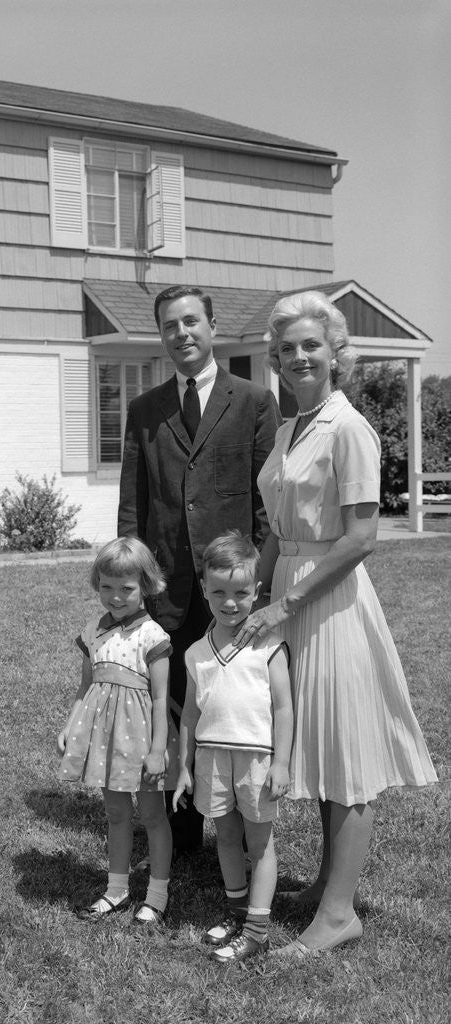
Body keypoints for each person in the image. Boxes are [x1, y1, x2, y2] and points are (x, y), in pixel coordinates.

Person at [233, 290, 438, 956]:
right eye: (287, 348)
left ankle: (340, 914)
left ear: (334, 352)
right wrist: (256, 592)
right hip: (290, 590)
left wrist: (287, 602)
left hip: (334, 598)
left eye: (311, 345)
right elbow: (278, 530)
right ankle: (327, 881)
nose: (299, 357)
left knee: (345, 754)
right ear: (276, 357)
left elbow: (360, 538)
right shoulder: (292, 427)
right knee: (316, 743)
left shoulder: (349, 427)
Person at [118, 285, 282, 855]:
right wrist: (134, 584)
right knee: (172, 704)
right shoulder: (144, 410)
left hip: (229, 588)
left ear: (212, 327)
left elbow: (267, 503)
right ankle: (180, 836)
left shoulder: (255, 402)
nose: (182, 333)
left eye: (191, 322)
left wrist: (256, 582)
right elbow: (133, 506)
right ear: (160, 336)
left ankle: (241, 830)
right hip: (168, 588)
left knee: (232, 706)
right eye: (170, 326)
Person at [172, 530, 293, 963]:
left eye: (240, 592)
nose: (229, 602)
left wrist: (281, 763)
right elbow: (189, 714)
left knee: (259, 844)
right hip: (212, 758)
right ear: (203, 589)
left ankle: (257, 931)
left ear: (256, 592)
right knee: (225, 836)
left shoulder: (269, 644)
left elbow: (283, 707)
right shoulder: (195, 653)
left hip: (257, 760)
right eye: (218, 591)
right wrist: (184, 766)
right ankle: (237, 909)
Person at [58, 536, 177, 926]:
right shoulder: (94, 631)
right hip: (105, 739)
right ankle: (117, 888)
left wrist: (158, 750)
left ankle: (156, 895)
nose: (115, 596)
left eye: (125, 588)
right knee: (115, 812)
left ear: (145, 586)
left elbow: (160, 700)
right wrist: (70, 724)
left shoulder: (153, 637)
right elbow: (85, 686)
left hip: (142, 742)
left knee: (153, 815)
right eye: (106, 586)